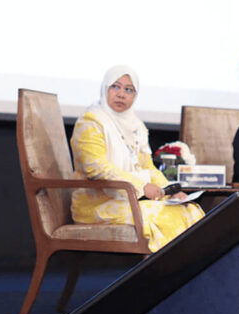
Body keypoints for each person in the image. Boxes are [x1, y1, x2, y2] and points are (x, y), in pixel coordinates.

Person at [70, 65, 204, 252]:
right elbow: (97, 169)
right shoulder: (90, 123)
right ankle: (166, 274)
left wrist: (170, 191)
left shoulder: (136, 126)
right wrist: (141, 187)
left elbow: (147, 167)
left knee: (190, 210)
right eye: (115, 87)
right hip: (97, 204)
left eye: (129, 90)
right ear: (105, 88)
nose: (121, 94)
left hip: (128, 200)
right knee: (163, 215)